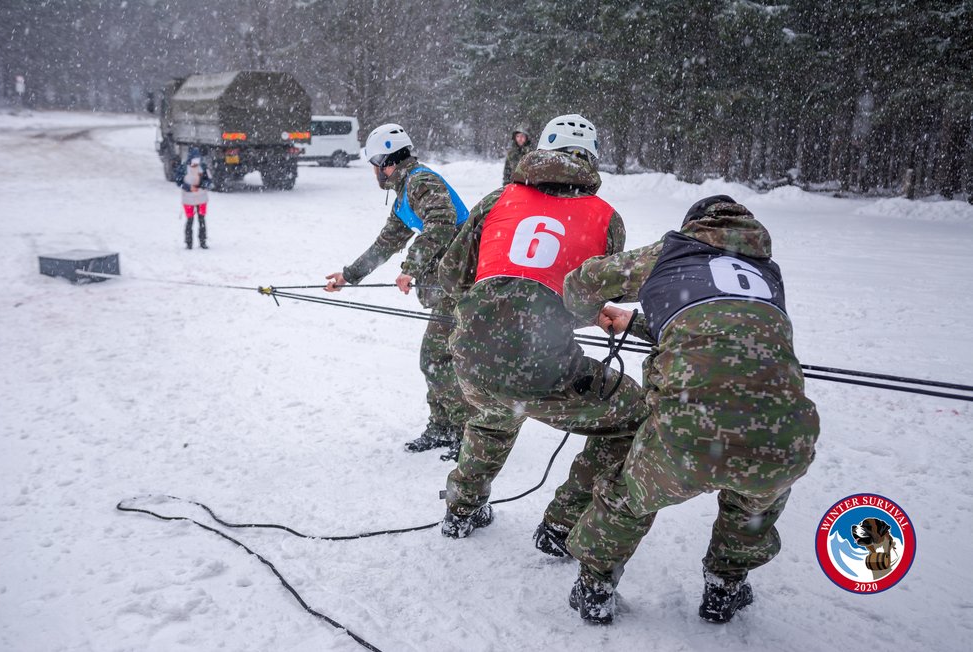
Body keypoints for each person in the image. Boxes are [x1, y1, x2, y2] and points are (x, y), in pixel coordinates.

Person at [561, 195, 820, 625]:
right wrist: (634, 323)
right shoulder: (766, 274)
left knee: (627, 498)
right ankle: (725, 587)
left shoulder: (674, 250)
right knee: (753, 505)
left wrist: (588, 312)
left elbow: (582, 282)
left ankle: (595, 586)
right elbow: (713, 329)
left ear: (694, 225)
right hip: (784, 436)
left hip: (687, 430)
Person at [437, 114, 649, 544]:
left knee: (495, 410)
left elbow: (452, 275)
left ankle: (461, 509)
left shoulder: (498, 199)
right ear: (590, 159)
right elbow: (584, 296)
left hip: (471, 359)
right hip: (542, 370)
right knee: (634, 415)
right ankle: (561, 522)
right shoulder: (607, 218)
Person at [324, 123, 475, 460]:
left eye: (374, 166)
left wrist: (411, 267)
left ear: (385, 162)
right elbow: (387, 242)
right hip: (453, 282)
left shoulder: (421, 181)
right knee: (439, 358)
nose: (374, 173)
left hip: (466, 282)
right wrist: (349, 276)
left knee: (436, 358)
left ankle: (465, 433)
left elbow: (442, 221)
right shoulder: (406, 191)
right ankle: (444, 427)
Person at [175, 148, 212, 249]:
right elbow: (178, 181)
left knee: (202, 219)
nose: (195, 164)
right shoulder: (183, 168)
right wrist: (189, 187)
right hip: (188, 198)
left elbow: (209, 180)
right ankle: (189, 242)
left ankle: (203, 241)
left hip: (201, 197)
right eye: (194, 161)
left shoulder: (203, 168)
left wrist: (202, 185)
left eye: (197, 161)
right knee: (190, 219)